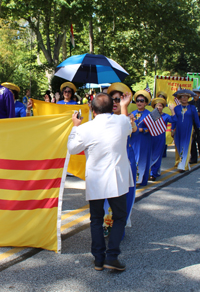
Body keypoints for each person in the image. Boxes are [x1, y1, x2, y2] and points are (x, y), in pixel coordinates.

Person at [67, 93, 134, 271]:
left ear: (92, 110)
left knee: (96, 219)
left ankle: (98, 259)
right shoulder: (121, 121)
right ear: (113, 105)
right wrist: (125, 105)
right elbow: (128, 127)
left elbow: (72, 148)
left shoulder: (85, 128)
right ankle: (112, 256)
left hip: (96, 179)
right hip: (116, 179)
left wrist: (75, 127)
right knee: (119, 217)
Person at [104, 83, 137, 236]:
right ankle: (107, 226)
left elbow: (130, 129)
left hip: (126, 162)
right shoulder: (103, 118)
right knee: (106, 195)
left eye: (119, 99)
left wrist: (127, 115)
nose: (115, 102)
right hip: (108, 162)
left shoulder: (129, 118)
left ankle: (118, 229)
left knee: (123, 196)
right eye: (112, 99)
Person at [172, 89, 200, 171]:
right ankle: (183, 162)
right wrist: (172, 129)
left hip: (188, 129)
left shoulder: (192, 108)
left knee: (185, 146)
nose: (184, 98)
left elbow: (196, 119)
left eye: (186, 97)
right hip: (178, 130)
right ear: (179, 99)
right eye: (182, 97)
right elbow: (174, 119)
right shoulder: (176, 108)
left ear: (188, 98)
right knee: (179, 146)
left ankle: (182, 165)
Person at [150, 97, 176, 180]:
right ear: (154, 107)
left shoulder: (165, 116)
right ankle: (151, 171)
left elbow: (174, 120)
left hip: (160, 138)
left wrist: (172, 110)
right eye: (157, 106)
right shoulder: (151, 115)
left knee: (157, 155)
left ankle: (153, 173)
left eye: (160, 106)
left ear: (163, 107)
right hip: (151, 138)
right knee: (150, 155)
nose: (159, 107)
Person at [131, 89, 152, 186]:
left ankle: (140, 179)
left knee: (142, 158)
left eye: (142, 101)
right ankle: (132, 179)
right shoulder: (132, 113)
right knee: (133, 159)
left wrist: (142, 130)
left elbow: (153, 129)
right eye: (137, 100)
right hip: (133, 140)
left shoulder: (150, 114)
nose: (139, 102)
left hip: (144, 140)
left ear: (146, 102)